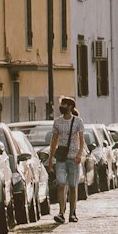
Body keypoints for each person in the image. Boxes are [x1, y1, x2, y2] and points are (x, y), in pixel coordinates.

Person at [48, 95, 85, 223]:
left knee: (73, 186)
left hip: (74, 158)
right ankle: (61, 212)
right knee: (61, 184)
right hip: (61, 158)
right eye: (61, 104)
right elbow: (54, 140)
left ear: (70, 107)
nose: (61, 107)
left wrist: (80, 154)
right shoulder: (57, 122)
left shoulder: (78, 122)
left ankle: (72, 213)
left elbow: (81, 140)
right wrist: (50, 158)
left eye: (64, 104)